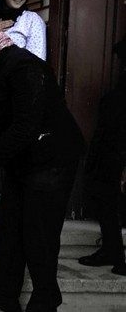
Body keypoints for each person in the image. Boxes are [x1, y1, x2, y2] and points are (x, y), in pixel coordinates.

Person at [0, 4, 85, 312]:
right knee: (8, 230)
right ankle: (2, 298)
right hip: (24, 159)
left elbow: (24, 128)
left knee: (39, 236)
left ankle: (45, 301)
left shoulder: (24, 67)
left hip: (52, 159)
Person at [0, 0, 48, 216]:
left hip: (17, 91)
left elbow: (37, 59)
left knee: (10, 139)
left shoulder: (32, 20)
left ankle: (2, 197)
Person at [77, 39, 126, 276]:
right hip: (111, 148)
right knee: (104, 195)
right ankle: (111, 249)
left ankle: (113, 250)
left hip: (118, 147)